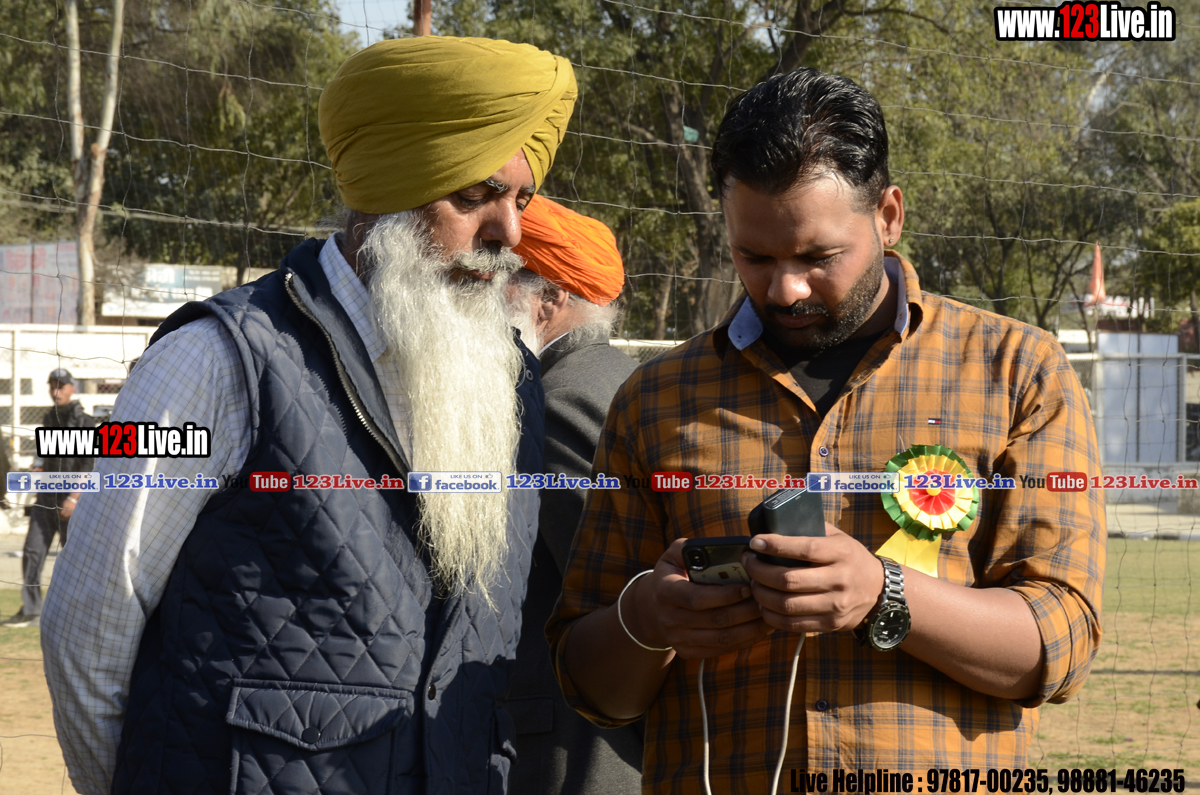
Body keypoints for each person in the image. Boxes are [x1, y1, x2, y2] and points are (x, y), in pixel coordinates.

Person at [42, 36, 576, 795]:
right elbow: (87, 625)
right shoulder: (208, 358)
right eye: (472, 197)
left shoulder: (512, 386)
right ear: (388, 188)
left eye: (520, 201)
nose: (509, 235)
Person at [546, 67, 1105, 790]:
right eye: (755, 256)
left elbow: (1061, 640)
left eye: (818, 257)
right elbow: (590, 686)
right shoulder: (655, 399)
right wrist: (649, 618)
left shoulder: (1018, 372)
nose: (785, 289)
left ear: (889, 216)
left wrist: (883, 593)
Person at [502, 195, 642, 794]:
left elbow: (613, 589)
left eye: (492, 281)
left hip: (578, 751)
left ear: (549, 297)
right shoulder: (620, 378)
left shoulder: (562, 401)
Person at [2, 368, 94, 628]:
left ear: (72, 388)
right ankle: (31, 610)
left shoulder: (85, 422)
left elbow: (89, 465)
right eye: (52, 385)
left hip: (72, 501)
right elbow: (44, 458)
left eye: (61, 386)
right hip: (45, 496)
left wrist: (74, 498)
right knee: (32, 551)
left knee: (73, 560)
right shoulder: (48, 418)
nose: (56, 391)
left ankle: (75, 614)